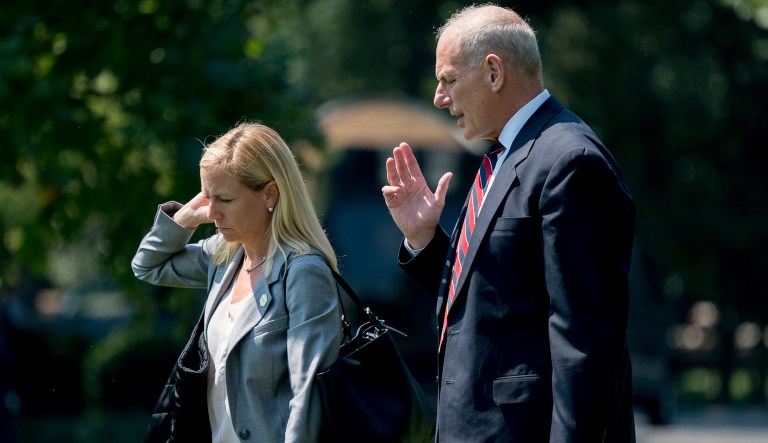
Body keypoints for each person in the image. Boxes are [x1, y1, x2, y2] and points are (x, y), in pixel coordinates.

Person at [381, 4, 636, 442]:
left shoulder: (570, 161)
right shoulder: (508, 155)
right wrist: (425, 241)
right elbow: (495, 296)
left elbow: (586, 348)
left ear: (494, 72)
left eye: (448, 80)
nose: (440, 98)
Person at [132, 122, 343, 442]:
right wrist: (186, 216)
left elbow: (308, 394)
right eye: (208, 197)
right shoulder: (225, 256)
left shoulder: (303, 272)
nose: (213, 212)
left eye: (225, 200)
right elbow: (148, 266)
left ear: (269, 193)